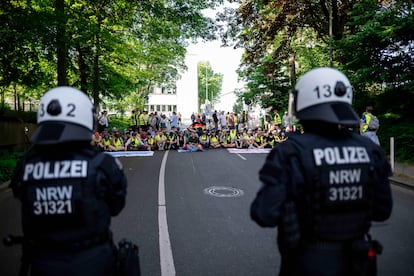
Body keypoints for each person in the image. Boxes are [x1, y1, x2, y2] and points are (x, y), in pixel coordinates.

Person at [251, 67, 392, 276]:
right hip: (359, 260)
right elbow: (382, 211)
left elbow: (264, 213)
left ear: (303, 102)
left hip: (308, 261)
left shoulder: (291, 152)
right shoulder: (370, 150)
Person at [9, 86, 127, 275]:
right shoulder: (102, 164)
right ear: (85, 117)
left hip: (42, 263)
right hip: (94, 262)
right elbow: (116, 206)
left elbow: (19, 193)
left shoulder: (25, 166)